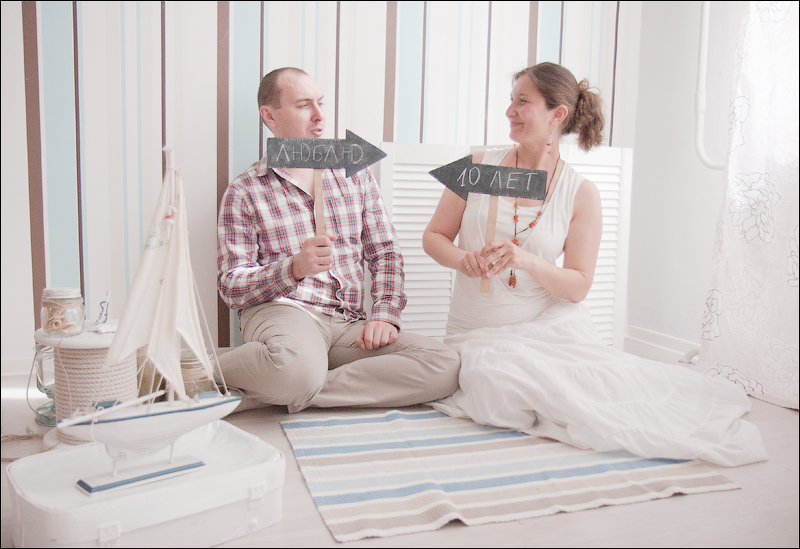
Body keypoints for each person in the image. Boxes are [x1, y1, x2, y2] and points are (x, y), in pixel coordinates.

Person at [422, 62, 767, 466]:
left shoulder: (581, 193)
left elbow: (578, 285)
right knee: (496, 392)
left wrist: (526, 260)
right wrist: (463, 259)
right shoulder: (476, 165)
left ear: (557, 114)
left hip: (545, 325)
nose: (509, 111)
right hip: (475, 332)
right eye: (511, 100)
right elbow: (434, 236)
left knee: (591, 392)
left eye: (522, 101)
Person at [217, 67, 459, 413]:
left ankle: (290, 387)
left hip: (347, 323)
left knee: (444, 365)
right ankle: (197, 369)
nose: (319, 116)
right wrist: (293, 268)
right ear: (269, 116)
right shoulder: (246, 190)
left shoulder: (355, 175)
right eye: (304, 105)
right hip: (285, 311)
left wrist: (385, 314)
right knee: (294, 368)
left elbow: (385, 252)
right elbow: (231, 286)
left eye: (320, 102)